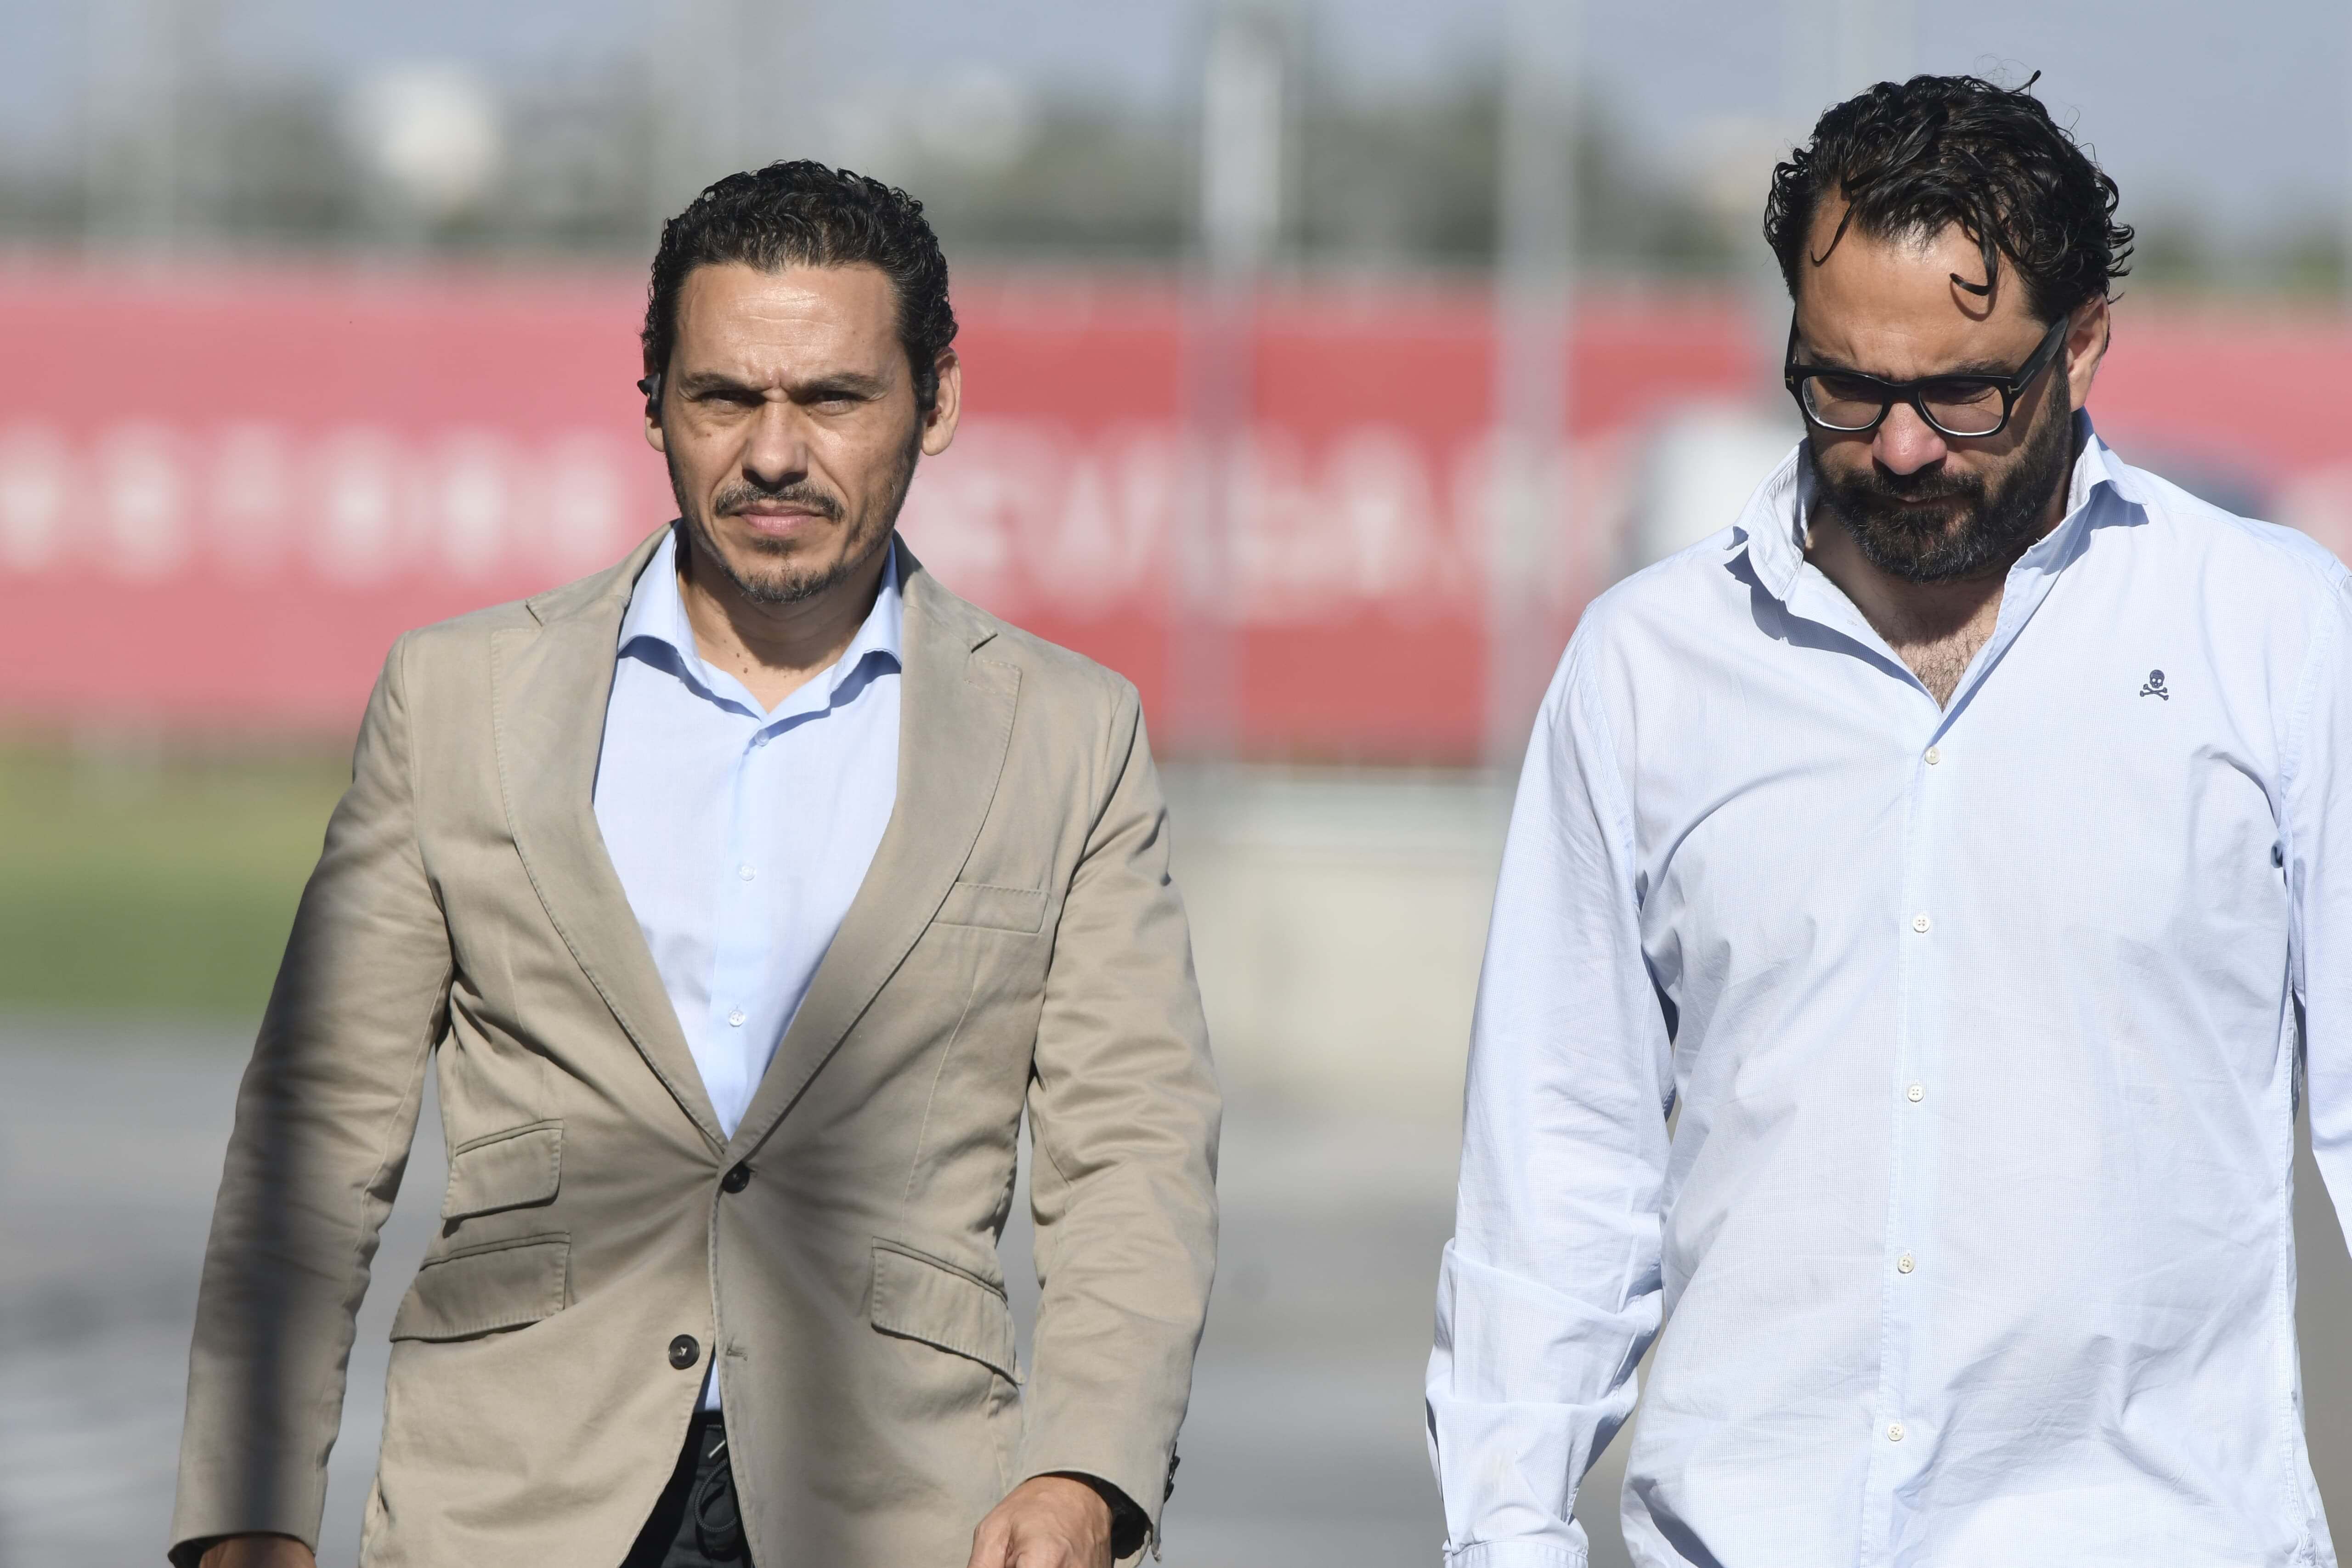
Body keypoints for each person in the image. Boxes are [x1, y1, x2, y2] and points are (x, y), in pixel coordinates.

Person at [169, 162, 1220, 1568]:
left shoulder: (1068, 736)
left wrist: (1087, 1471)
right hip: (512, 1505)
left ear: (939, 401)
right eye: (726, 397)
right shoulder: (463, 703)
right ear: (654, 399)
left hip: (904, 1511)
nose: (775, 454)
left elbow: (1132, 1149)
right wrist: (247, 1511)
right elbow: (314, 1140)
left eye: (835, 399)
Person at [1427, 73, 2352, 1565]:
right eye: (1847, 387)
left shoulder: (2280, 637)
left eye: (1965, 393)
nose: (1904, 446)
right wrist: (1506, 1533)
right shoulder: (1649, 667)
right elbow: (1560, 1162)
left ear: (2087, 346)